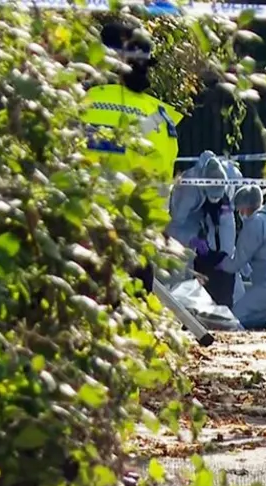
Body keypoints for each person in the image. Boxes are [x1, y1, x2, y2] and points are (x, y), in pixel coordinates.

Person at [86, 20, 184, 296]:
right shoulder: (162, 119)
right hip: (138, 242)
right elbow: (163, 185)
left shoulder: (83, 104)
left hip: (88, 236)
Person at [198, 185, 266, 330]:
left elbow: (238, 261)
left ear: (246, 207)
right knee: (259, 312)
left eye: (240, 209)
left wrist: (219, 264)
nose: (240, 213)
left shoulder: (255, 223)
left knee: (235, 316)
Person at [167, 152, 247, 306]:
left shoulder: (233, 176)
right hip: (192, 216)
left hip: (223, 211)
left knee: (227, 257)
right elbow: (174, 226)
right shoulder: (187, 189)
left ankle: (235, 303)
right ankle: (185, 305)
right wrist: (191, 239)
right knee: (188, 258)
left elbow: (241, 205)